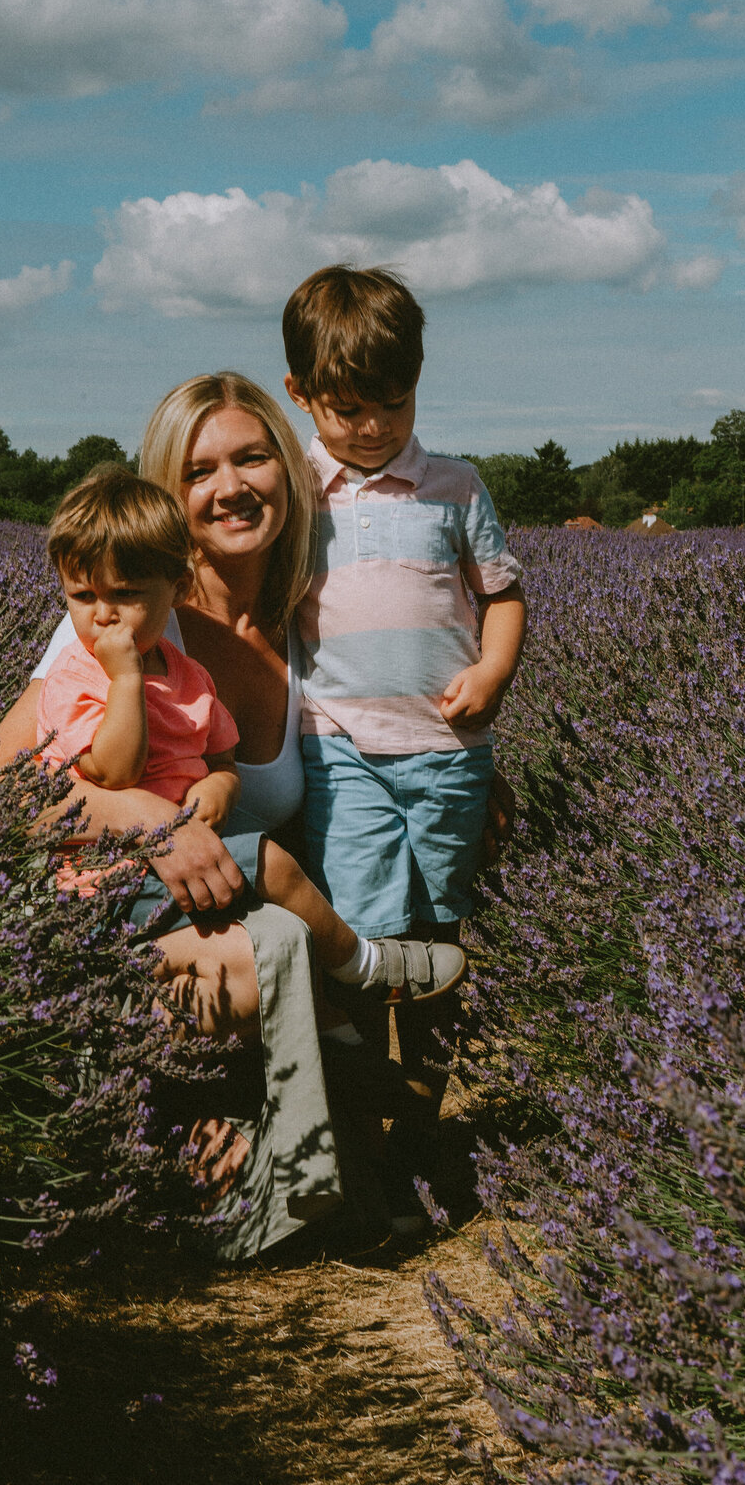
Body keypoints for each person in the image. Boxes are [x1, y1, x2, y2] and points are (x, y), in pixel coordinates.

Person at [282, 264, 528, 1224]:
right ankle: (365, 1130)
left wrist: (494, 673)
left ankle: (423, 1118)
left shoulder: (455, 486)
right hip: (339, 743)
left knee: (438, 938)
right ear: (302, 394)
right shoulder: (298, 491)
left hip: (448, 749)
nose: (373, 426)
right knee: (359, 942)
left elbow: (501, 595)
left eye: (392, 402)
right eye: (347, 408)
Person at [38, 464, 466, 1007]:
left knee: (280, 909)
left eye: (125, 593)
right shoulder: (76, 676)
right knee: (272, 866)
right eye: (81, 596)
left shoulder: (189, 675)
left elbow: (222, 758)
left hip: (187, 863)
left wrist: (220, 788)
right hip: (106, 877)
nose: (103, 616)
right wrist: (125, 680)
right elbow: (113, 772)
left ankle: (335, 1018)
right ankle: (365, 968)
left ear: (177, 588)